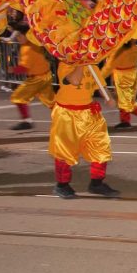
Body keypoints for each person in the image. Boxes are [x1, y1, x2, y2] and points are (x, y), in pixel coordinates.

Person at [50, 62, 119, 198]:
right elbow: (75, 80)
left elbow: (101, 85)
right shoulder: (65, 64)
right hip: (67, 114)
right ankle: (62, 185)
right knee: (65, 150)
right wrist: (82, 63)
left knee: (100, 147)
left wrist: (109, 97)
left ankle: (96, 183)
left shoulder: (93, 67)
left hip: (89, 112)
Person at [8, 24, 56, 130]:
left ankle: (26, 121)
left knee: (17, 97)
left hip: (37, 78)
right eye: (17, 36)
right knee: (51, 101)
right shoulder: (34, 44)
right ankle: (63, 118)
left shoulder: (28, 48)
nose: (18, 38)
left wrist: (12, 70)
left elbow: (24, 67)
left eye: (19, 36)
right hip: (45, 75)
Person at [101, 40, 137, 130]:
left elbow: (109, 67)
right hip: (133, 74)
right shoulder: (136, 49)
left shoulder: (119, 51)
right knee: (126, 99)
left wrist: (99, 77)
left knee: (124, 101)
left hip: (122, 76)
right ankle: (127, 120)